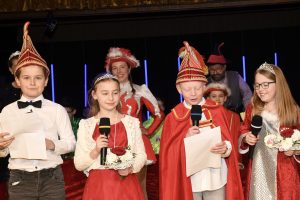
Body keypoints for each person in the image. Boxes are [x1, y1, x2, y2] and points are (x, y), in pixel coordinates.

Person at [0, 21, 76, 200]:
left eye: (38, 78)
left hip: (52, 176)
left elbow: (71, 143)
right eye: (26, 78)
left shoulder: (57, 110)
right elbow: (2, 150)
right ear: (18, 81)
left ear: (46, 81)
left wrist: (53, 145)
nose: (32, 83)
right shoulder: (7, 111)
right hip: (20, 178)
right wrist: (1, 146)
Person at [159, 41, 244, 200]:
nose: (193, 93)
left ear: (205, 86)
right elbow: (167, 156)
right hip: (189, 180)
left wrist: (224, 148)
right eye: (187, 89)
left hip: (215, 177)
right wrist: (185, 138)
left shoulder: (217, 110)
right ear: (179, 89)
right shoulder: (173, 117)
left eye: (197, 88)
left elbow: (228, 142)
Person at [73, 72, 146, 200]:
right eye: (105, 93)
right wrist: (95, 151)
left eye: (115, 93)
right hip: (99, 187)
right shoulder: (86, 125)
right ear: (95, 95)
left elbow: (141, 156)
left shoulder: (131, 123)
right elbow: (79, 164)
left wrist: (130, 168)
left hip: (127, 186)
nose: (111, 98)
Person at [104, 47, 164, 199]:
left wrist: (148, 131)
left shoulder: (139, 91)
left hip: (136, 143)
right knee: (114, 190)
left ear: (129, 68)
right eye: (115, 68)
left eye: (122, 67)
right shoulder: (105, 93)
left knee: (138, 188)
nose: (119, 71)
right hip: (112, 142)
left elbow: (158, 114)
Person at [239, 62, 300, 200]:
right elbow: (244, 129)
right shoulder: (253, 108)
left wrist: (295, 150)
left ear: (279, 84)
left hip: (284, 172)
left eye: (266, 84)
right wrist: (245, 138)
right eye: (257, 85)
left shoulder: (293, 112)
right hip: (258, 169)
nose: (261, 89)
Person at [207, 42, 252, 113]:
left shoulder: (235, 76)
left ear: (224, 67)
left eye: (218, 69)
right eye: (212, 70)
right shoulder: (206, 82)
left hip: (236, 115)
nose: (215, 72)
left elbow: (247, 94)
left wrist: (248, 112)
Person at [0, 50, 20, 200]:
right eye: (16, 65)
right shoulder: (4, 93)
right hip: (9, 149)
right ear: (10, 69)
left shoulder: (38, 90)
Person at [59, 96, 87, 200]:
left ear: (74, 111)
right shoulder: (54, 125)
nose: (64, 115)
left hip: (77, 167)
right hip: (60, 168)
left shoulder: (81, 124)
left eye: (68, 112)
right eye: (62, 112)